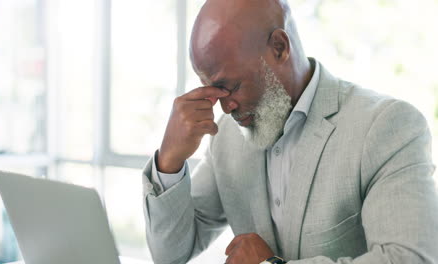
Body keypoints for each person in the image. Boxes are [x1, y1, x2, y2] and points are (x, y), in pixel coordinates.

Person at [141, 0, 438, 263]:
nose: (225, 108)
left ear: (279, 48)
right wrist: (169, 161)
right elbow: (171, 254)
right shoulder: (228, 138)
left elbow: (410, 258)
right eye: (213, 91)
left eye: (229, 87)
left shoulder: (388, 126)